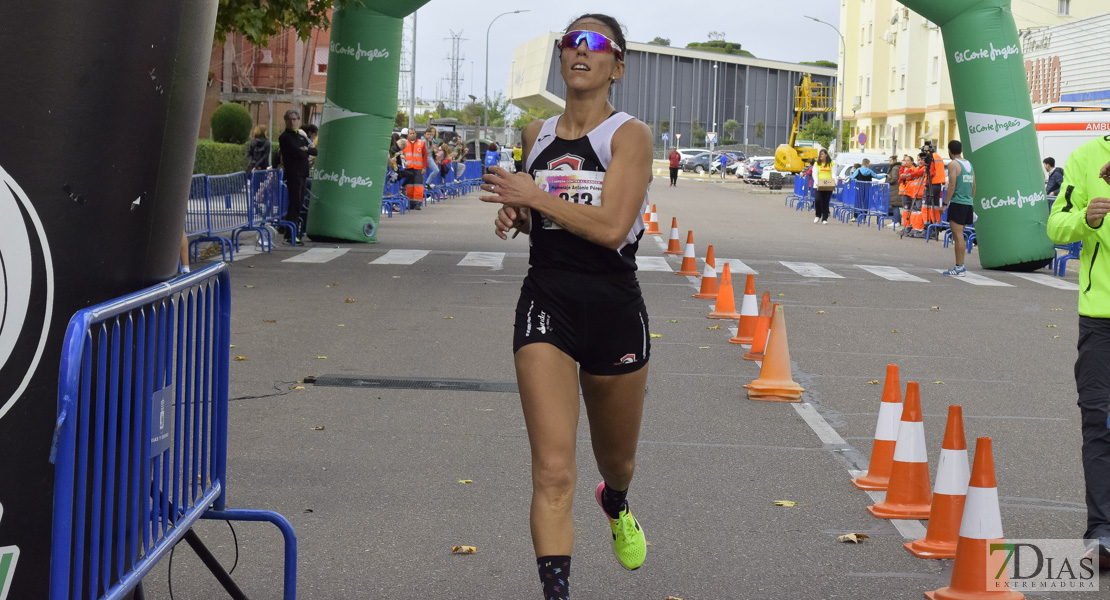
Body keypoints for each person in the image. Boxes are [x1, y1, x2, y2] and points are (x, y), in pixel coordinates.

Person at [480, 14, 651, 599]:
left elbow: (611, 227)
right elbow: (544, 217)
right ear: (561, 59)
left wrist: (532, 195)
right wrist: (520, 216)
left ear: (617, 66)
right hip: (547, 299)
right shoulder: (537, 133)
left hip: (614, 307)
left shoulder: (629, 136)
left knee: (615, 462)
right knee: (553, 472)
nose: (581, 50)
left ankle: (618, 501)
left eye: (596, 43)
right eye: (571, 42)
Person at [1046, 137, 1110, 571]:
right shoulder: (1087, 157)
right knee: (1099, 419)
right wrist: (1086, 220)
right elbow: (1056, 225)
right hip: (1101, 317)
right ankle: (1103, 532)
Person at [278, 109, 315, 244]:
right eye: (289, 119)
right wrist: (305, 151)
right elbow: (297, 152)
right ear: (286, 121)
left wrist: (305, 150)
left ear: (298, 120)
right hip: (293, 174)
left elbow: (314, 151)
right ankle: (289, 235)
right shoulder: (285, 137)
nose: (292, 122)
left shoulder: (300, 136)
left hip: (303, 173)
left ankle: (290, 232)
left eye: (295, 119)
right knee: (294, 204)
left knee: (299, 204)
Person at [940, 140, 975, 276]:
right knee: (960, 235)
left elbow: (952, 186)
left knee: (958, 235)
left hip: (957, 203)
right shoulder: (969, 164)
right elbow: (974, 186)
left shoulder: (953, 164)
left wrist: (945, 204)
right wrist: (970, 200)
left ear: (949, 151)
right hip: (967, 204)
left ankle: (959, 267)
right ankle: (960, 266)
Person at [402, 127, 429, 210]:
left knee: (418, 186)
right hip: (408, 168)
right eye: (410, 133)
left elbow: (425, 155)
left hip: (418, 168)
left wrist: (424, 167)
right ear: (408, 134)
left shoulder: (421, 143)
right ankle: (410, 202)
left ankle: (417, 203)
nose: (412, 135)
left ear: (416, 134)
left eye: (413, 133)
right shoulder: (404, 143)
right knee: (409, 186)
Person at [812, 148, 834, 224]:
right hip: (818, 185)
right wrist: (817, 182)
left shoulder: (831, 164)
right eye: (820, 154)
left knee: (826, 201)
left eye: (822, 154)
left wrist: (835, 182)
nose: (821, 156)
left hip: (828, 185)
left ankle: (825, 218)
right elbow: (814, 174)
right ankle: (818, 215)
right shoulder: (816, 164)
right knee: (818, 200)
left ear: (826, 155)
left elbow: (834, 174)